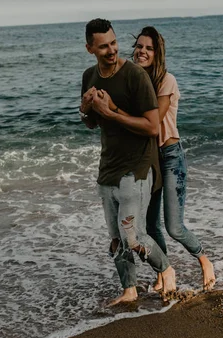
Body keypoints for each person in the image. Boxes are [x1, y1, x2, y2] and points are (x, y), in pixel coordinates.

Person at [103, 26, 216, 291]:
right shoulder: (130, 80)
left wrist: (114, 107)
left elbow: (151, 120)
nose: (142, 51)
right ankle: (163, 273)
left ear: (157, 53)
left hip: (170, 158)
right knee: (151, 226)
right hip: (147, 159)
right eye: (139, 47)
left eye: (149, 48)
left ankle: (203, 259)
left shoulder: (167, 80)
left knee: (174, 227)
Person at [79, 18, 176, 306]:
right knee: (116, 241)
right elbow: (90, 124)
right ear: (90, 49)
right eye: (103, 46)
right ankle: (129, 290)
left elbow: (151, 127)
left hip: (137, 168)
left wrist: (111, 114)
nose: (111, 50)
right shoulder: (89, 76)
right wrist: (85, 110)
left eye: (114, 43)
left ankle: (166, 270)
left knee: (133, 236)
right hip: (108, 167)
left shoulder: (135, 75)